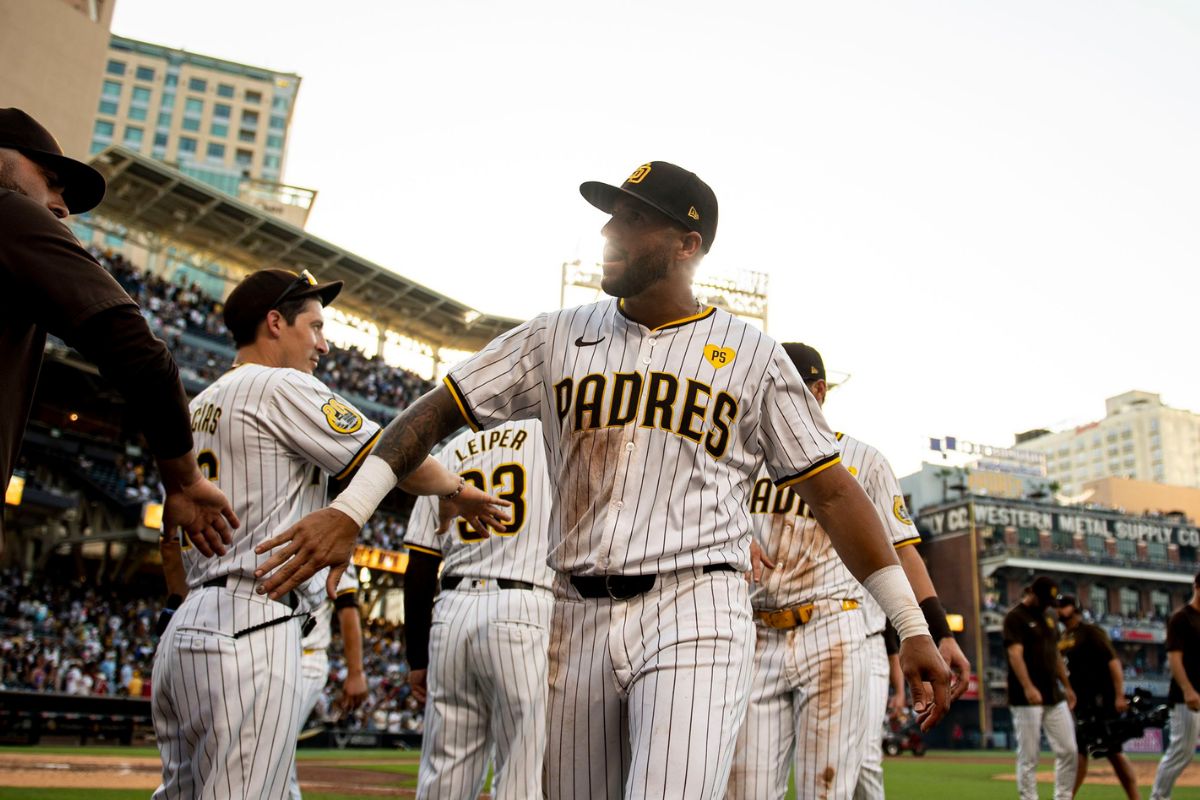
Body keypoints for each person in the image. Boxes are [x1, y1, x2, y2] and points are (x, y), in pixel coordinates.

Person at [254, 160, 951, 799]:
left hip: (696, 606)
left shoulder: (751, 353)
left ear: (688, 243)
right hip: (573, 612)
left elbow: (832, 492)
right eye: (610, 215)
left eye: (632, 218)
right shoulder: (554, 334)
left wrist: (911, 625)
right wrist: (351, 510)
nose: (609, 230)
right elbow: (434, 412)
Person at [151, 268, 510, 800]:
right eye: (315, 327)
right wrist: (459, 490)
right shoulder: (280, 384)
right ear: (275, 323)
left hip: (186, 630)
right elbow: (395, 454)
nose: (323, 344)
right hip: (254, 621)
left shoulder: (199, 404)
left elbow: (168, 533)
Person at [725, 343, 968, 800]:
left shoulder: (861, 459)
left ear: (818, 391)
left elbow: (904, 552)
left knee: (827, 788)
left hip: (834, 626)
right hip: (756, 633)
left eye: (791, 388)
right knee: (743, 791)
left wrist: (940, 632)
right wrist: (735, 536)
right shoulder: (743, 459)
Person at [0, 107, 236, 556]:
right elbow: (141, 354)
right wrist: (184, 480)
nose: (61, 206)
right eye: (49, 178)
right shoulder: (8, 210)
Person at [403, 419, 554, 800]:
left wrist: (417, 659)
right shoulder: (550, 434)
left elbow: (420, 566)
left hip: (451, 611)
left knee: (444, 772)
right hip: (523, 604)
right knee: (522, 772)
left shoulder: (449, 452)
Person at [288, 568, 367, 800]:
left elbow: (347, 605)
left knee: (273, 750)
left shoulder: (332, 534)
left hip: (307, 657)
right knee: (274, 751)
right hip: (273, 651)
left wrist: (356, 672)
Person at [1057, 594, 1138, 800]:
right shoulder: (1064, 637)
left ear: (1074, 608)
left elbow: (1113, 662)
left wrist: (1119, 695)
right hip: (1081, 701)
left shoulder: (1091, 632)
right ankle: (1067, 797)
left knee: (1113, 751)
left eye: (1063, 606)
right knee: (1080, 751)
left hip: (1101, 698)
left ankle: (1135, 797)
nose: (1059, 610)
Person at [1004, 576, 1077, 800]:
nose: (1048, 604)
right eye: (1045, 599)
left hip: (1053, 694)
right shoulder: (1015, 617)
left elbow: (1055, 654)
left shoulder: (1049, 617)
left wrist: (1067, 686)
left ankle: (1063, 797)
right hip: (1025, 696)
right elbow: (1014, 655)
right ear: (1032, 593)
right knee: (1029, 755)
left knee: (1069, 750)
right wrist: (1027, 687)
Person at [1150, 572, 1200, 800]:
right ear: (1197, 586)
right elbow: (1174, 658)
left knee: (1183, 750)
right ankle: (1158, 797)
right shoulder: (1182, 617)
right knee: (1182, 750)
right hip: (1185, 697)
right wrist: (1188, 689)